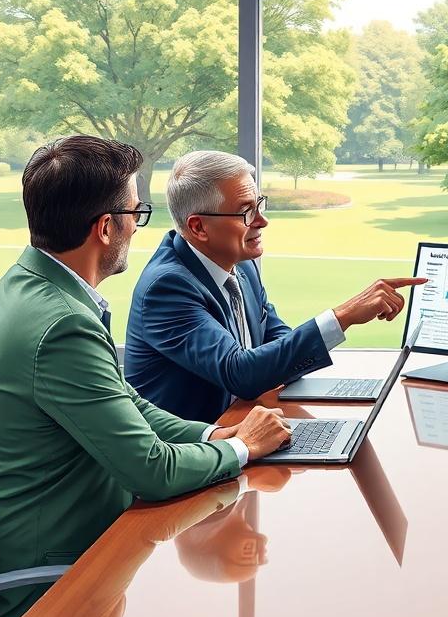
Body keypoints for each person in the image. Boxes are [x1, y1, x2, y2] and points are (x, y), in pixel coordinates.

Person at [0, 136, 291, 617]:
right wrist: (242, 450)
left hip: (81, 548)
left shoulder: (29, 287)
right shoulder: (60, 324)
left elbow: (123, 400)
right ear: (106, 227)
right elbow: (150, 470)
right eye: (137, 212)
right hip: (55, 589)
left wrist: (212, 434)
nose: (139, 226)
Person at [124, 150, 425, 422]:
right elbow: (240, 373)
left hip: (240, 429)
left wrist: (278, 363)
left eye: (259, 205)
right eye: (246, 211)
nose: (263, 221)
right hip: (189, 460)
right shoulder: (167, 288)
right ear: (198, 227)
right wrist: (344, 316)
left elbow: (277, 341)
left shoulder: (242, 264)